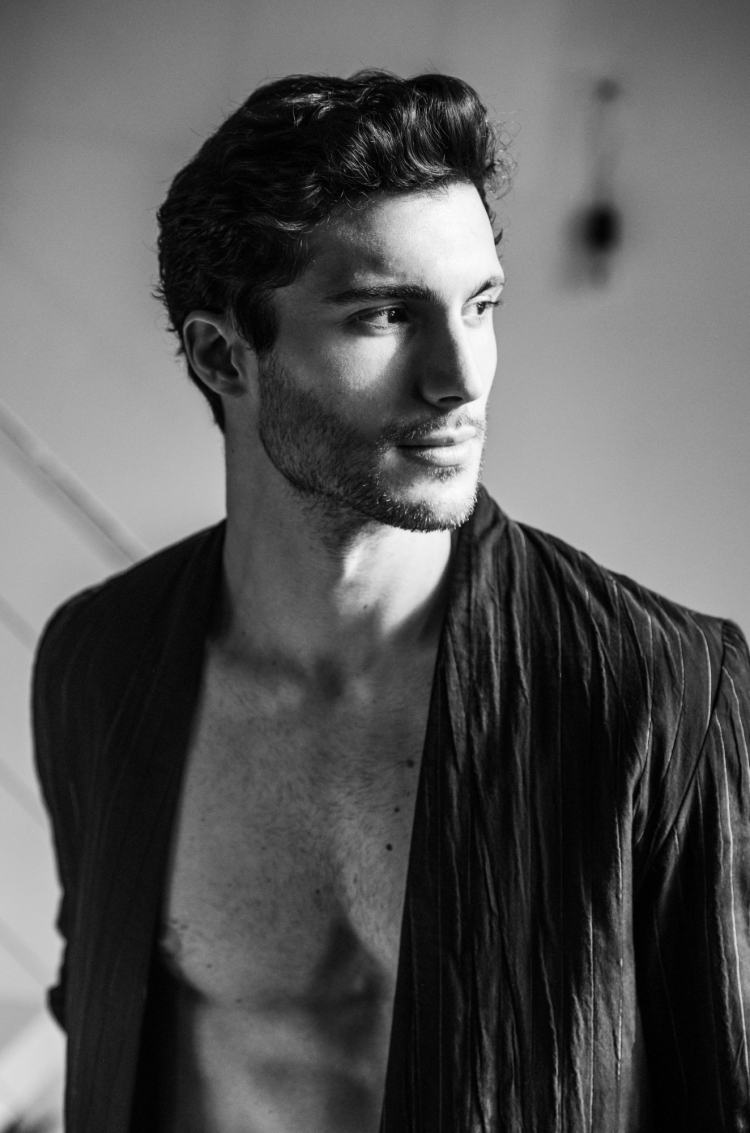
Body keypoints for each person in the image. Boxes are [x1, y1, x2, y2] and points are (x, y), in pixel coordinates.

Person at [32, 69, 750, 1133]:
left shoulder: (662, 693)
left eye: (481, 305)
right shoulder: (100, 659)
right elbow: (100, 1018)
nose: (461, 378)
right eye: (385, 315)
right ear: (224, 356)